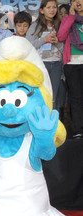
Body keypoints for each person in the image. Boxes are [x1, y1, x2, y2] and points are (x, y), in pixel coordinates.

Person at [27, 0, 63, 111]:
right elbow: (29, 45)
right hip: (41, 65)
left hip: (56, 64)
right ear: (42, 10)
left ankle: (53, 124)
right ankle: (39, 123)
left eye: (54, 7)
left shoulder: (60, 25)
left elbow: (65, 49)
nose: (52, 10)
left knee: (53, 97)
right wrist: (44, 40)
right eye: (48, 7)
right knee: (40, 95)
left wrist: (57, 42)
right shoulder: (35, 26)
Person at [57, 0, 83, 139]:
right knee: (76, 97)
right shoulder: (67, 19)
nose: (78, 2)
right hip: (72, 63)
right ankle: (78, 129)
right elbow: (60, 36)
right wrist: (71, 17)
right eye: (74, 0)